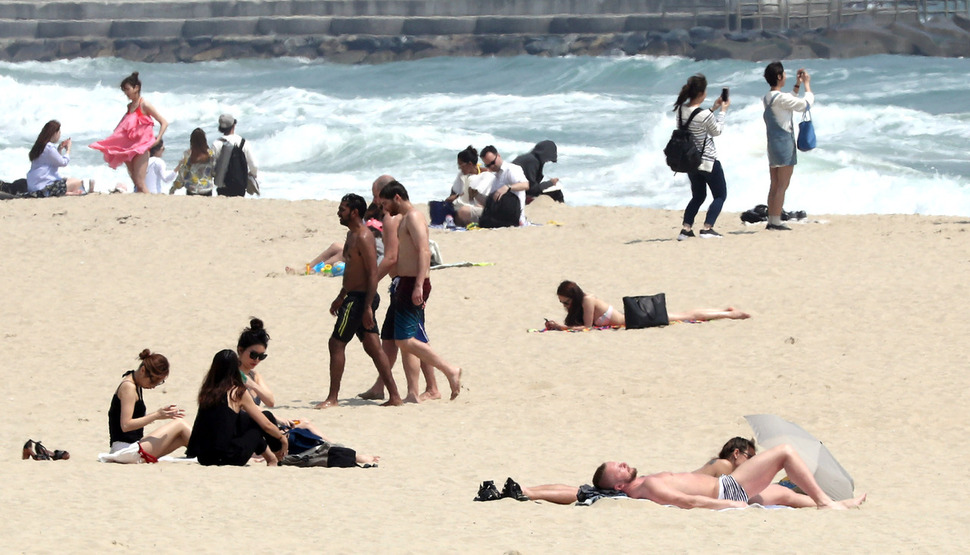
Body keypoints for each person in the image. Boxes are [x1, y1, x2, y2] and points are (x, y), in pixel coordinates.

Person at [314, 193, 404, 408]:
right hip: (353, 297)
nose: (338, 212)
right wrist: (340, 296)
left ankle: (333, 398)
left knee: (336, 343)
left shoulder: (364, 237)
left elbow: (372, 273)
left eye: (342, 209)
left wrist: (366, 308)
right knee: (373, 346)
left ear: (354, 212)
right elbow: (352, 272)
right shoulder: (350, 235)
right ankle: (395, 397)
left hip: (361, 300)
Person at [359, 175, 442, 403]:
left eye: (378, 197)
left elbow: (392, 257)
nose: (376, 202)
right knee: (392, 337)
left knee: (410, 339)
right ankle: (380, 385)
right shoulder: (401, 216)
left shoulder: (395, 218)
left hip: (405, 282)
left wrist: (371, 281)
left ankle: (422, 389)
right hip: (403, 283)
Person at [378, 180, 462, 403]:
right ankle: (418, 391)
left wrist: (417, 285)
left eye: (386, 203)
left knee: (404, 340)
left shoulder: (413, 216)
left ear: (397, 197)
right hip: (405, 282)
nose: (385, 209)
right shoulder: (405, 218)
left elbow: (424, 251)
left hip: (414, 283)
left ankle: (450, 370)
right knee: (410, 337)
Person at [593, 444, 867, 510]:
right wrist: (730, 504)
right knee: (785, 452)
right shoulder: (648, 485)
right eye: (618, 467)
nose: (624, 463)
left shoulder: (641, 485)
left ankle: (842, 504)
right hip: (727, 490)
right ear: (618, 485)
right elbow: (686, 501)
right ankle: (824, 503)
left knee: (785, 495)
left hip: (729, 489)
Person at [186, 350, 288, 466]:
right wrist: (282, 438)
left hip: (204, 457)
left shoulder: (207, 391)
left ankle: (273, 458)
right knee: (261, 421)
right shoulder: (237, 392)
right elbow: (266, 425)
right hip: (227, 457)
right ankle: (279, 455)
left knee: (249, 420)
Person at [544, 280, 750, 331]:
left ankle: (731, 314)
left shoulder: (588, 300)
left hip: (635, 319)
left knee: (687, 315)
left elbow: (588, 327)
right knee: (685, 314)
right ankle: (726, 312)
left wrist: (562, 327)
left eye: (566, 302)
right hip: (632, 319)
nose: (565, 305)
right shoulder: (581, 303)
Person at [106, 349, 191, 463]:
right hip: (125, 449)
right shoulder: (129, 387)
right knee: (180, 424)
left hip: (133, 446)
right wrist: (157, 415)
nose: (154, 386)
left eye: (159, 382)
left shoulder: (136, 384)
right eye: (153, 381)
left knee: (181, 438)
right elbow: (126, 425)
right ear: (142, 370)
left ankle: (209, 454)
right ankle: (212, 453)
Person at [89, 72, 168, 193]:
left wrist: (157, 139)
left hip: (142, 148)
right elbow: (122, 126)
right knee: (136, 182)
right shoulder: (129, 107)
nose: (126, 93)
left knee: (140, 182)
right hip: (129, 149)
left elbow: (164, 122)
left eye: (127, 89)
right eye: (124, 90)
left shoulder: (144, 104)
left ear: (136, 88)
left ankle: (152, 204)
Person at [673, 75, 729, 240]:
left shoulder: (681, 110)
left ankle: (686, 228)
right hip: (708, 161)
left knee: (698, 196)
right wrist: (723, 111)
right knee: (720, 195)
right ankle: (707, 228)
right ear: (701, 93)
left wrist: (713, 108)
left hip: (690, 161)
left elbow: (694, 123)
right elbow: (716, 131)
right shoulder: (704, 115)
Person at [693, 437, 816, 508]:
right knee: (784, 494)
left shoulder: (730, 471)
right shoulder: (722, 464)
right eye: (750, 457)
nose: (753, 463)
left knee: (784, 494)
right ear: (736, 453)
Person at [763, 62, 814, 231]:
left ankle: (772, 218)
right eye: (783, 74)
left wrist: (797, 85)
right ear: (779, 77)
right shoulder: (781, 99)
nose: (785, 75)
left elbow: (788, 100)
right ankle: (776, 222)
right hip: (784, 144)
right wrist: (807, 85)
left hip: (772, 145)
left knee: (774, 184)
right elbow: (804, 105)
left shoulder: (768, 98)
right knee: (782, 185)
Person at [284, 218, 384, 275]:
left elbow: (383, 255)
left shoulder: (378, 241)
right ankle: (308, 267)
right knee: (335, 246)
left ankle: (314, 271)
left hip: (366, 263)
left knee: (343, 254)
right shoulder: (369, 236)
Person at [26, 120, 92, 197]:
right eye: (59, 132)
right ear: (54, 133)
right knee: (78, 182)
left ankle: (72, 192)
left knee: (68, 180)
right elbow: (63, 162)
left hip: (34, 185)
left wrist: (59, 150)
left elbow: (54, 162)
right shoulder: (49, 147)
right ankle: (75, 192)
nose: (59, 135)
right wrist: (68, 150)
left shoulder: (40, 146)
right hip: (44, 188)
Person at [479, 145, 528, 228]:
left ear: (498, 155)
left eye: (492, 163)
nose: (491, 166)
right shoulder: (496, 177)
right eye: (488, 165)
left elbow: (525, 185)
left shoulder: (511, 169)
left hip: (513, 214)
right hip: (500, 214)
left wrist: (508, 187)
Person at [445, 146, 495, 227]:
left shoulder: (487, 175)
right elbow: (453, 194)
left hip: (481, 208)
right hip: (465, 206)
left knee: (463, 211)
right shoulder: (461, 176)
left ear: (470, 164)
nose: (460, 169)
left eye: (461, 166)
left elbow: (489, 199)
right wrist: (456, 196)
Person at [213, 113, 258, 196]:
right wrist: (252, 174)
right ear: (234, 125)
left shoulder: (216, 144)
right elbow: (254, 166)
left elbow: (212, 166)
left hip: (223, 186)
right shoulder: (243, 143)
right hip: (240, 185)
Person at [170, 128, 217, 195]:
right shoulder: (211, 154)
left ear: (191, 141)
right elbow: (214, 171)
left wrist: (174, 188)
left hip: (192, 190)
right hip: (206, 189)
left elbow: (182, 174)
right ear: (204, 140)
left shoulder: (187, 154)